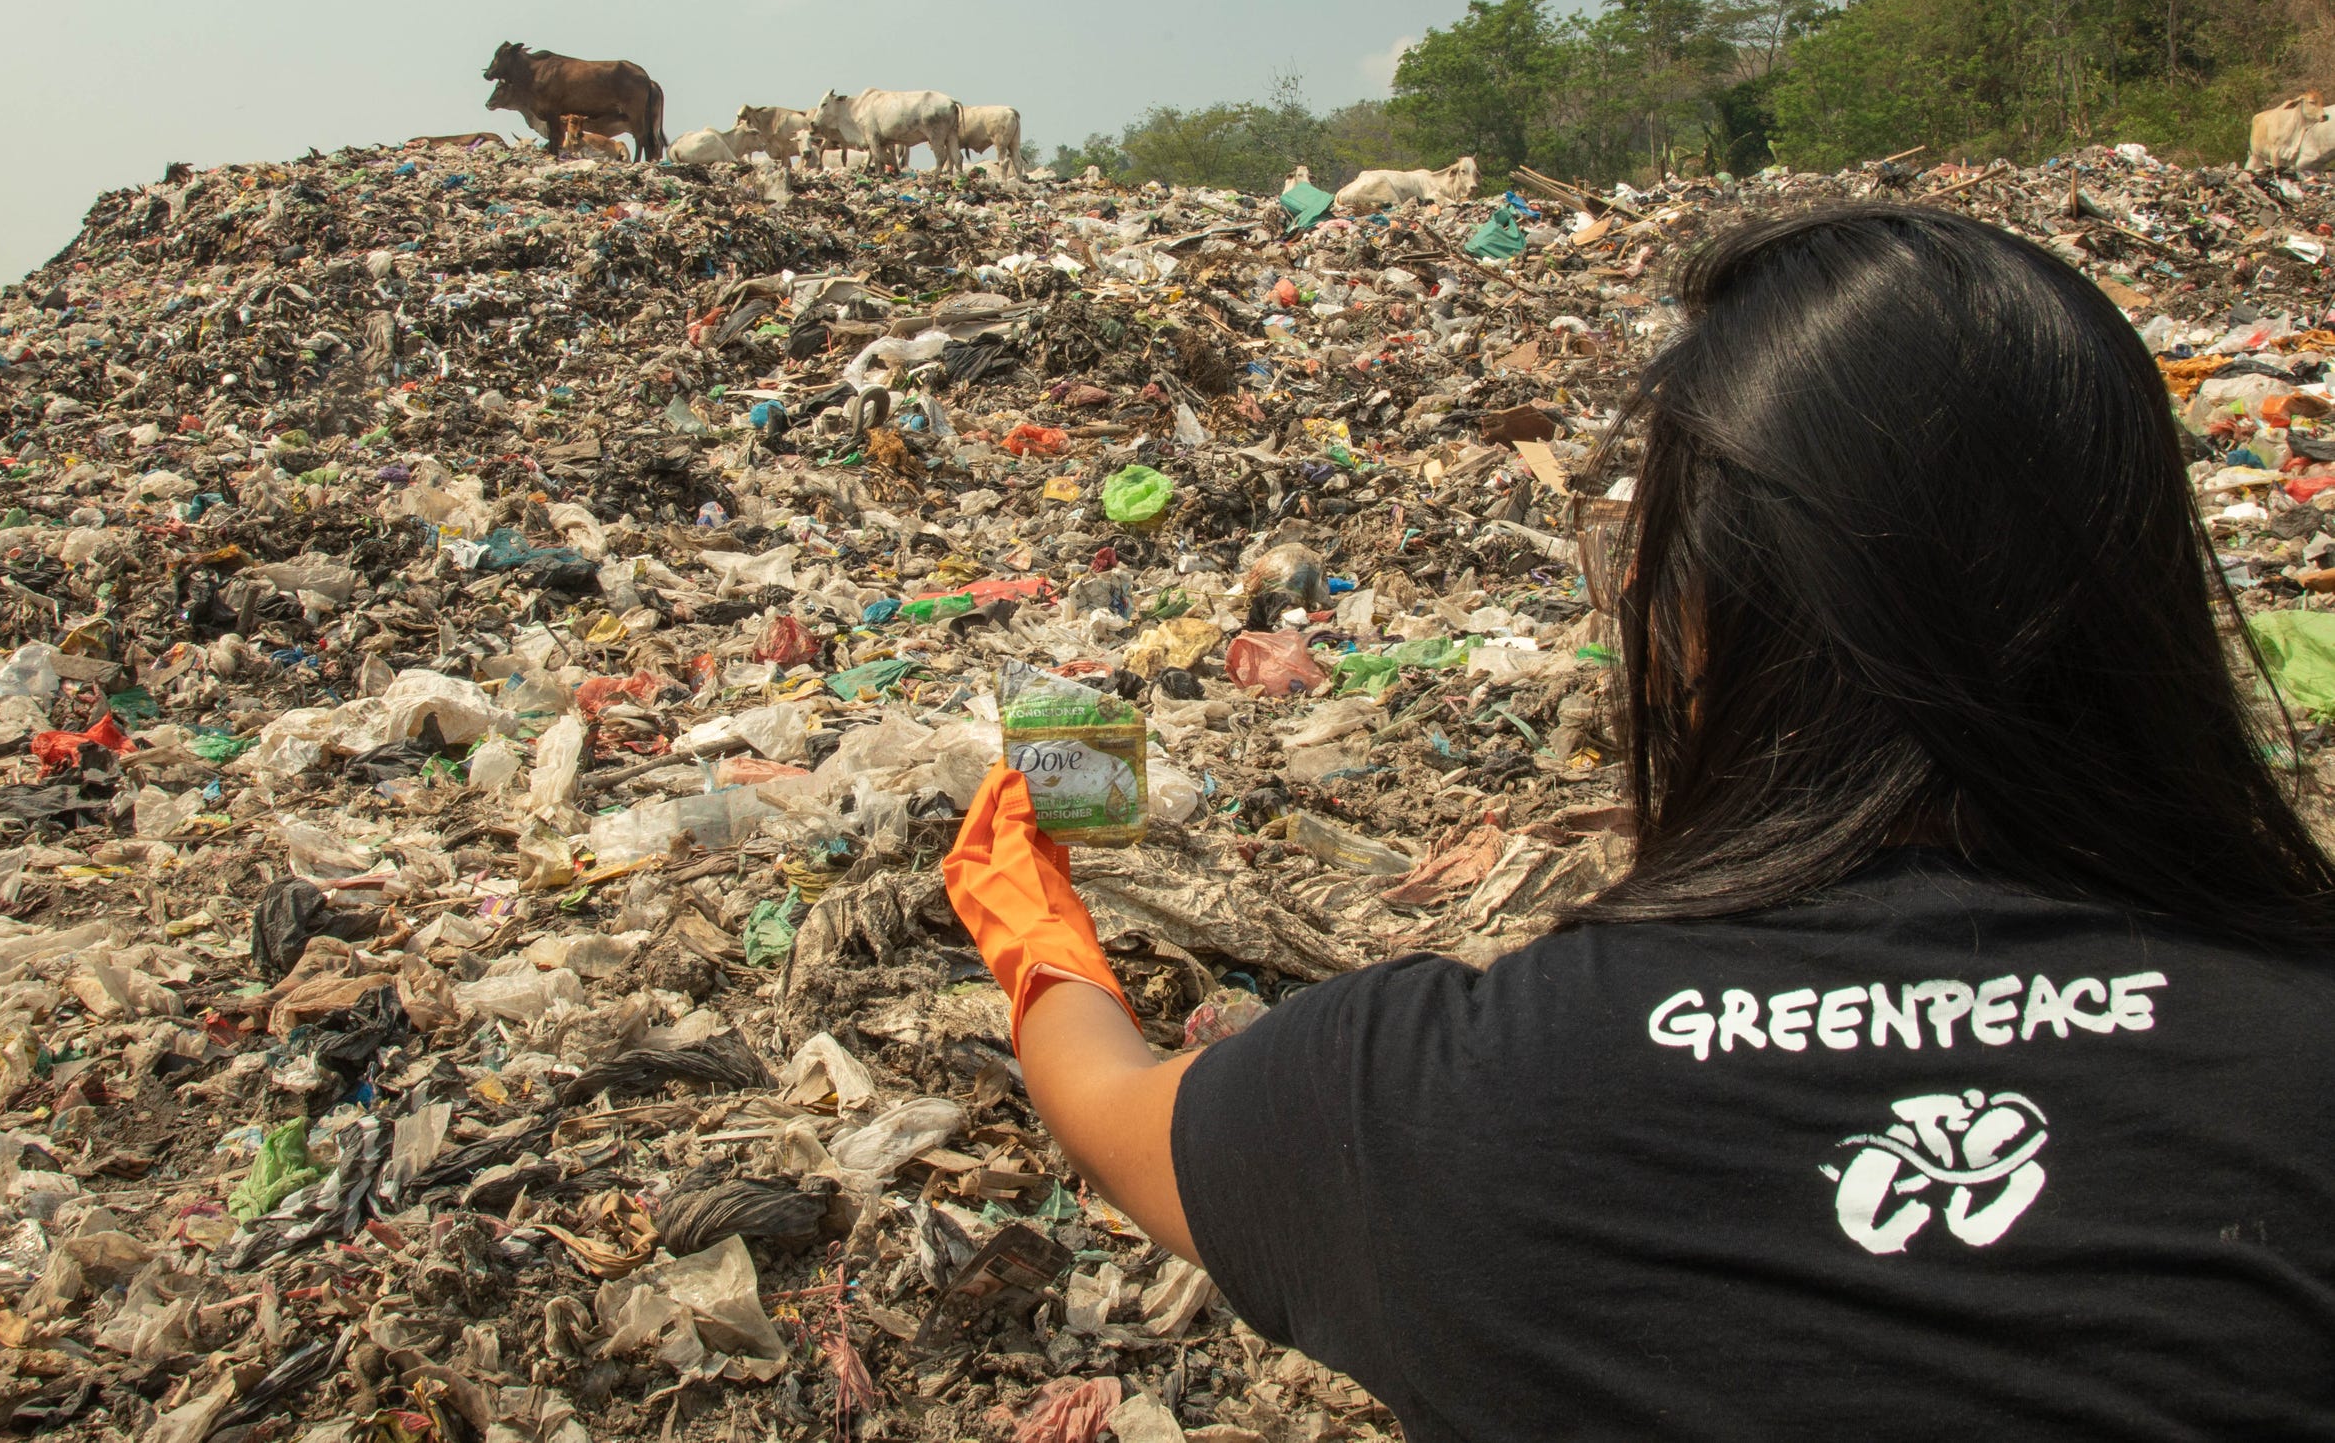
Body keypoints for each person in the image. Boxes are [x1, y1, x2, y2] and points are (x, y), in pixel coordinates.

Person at [944, 206, 2335, 1441]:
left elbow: (1113, 1107)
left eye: (1642, 557)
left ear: (1698, 618)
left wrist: (1029, 913)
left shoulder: (1459, 1099)